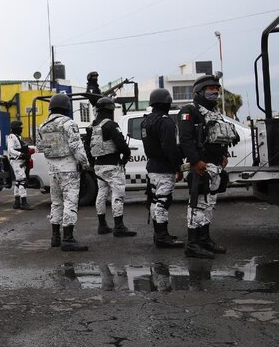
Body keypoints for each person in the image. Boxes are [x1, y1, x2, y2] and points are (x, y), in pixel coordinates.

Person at [178, 75, 239, 259]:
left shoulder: (214, 112)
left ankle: (204, 239)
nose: (214, 91)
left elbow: (219, 136)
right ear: (199, 91)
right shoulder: (189, 111)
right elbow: (186, 140)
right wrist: (196, 161)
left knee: (209, 204)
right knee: (197, 204)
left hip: (214, 165)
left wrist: (224, 155)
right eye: (210, 88)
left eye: (216, 88)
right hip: (200, 165)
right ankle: (193, 244)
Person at [36, 93, 90, 251]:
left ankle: (55, 237)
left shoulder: (43, 126)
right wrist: (85, 163)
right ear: (66, 107)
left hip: (53, 170)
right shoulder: (68, 123)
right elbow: (76, 146)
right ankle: (68, 238)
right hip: (69, 169)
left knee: (56, 202)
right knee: (70, 202)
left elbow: (40, 147)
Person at [84, 97, 136, 237]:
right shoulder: (111, 125)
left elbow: (87, 147)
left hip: (98, 165)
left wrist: (92, 163)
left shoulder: (91, 127)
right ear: (111, 109)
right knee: (118, 194)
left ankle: (102, 225)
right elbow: (120, 143)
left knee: (102, 193)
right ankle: (119, 226)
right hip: (112, 164)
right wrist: (127, 154)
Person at [141, 88, 185, 249]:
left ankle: (159, 233)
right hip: (164, 168)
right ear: (167, 102)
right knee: (163, 201)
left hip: (152, 166)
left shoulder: (146, 121)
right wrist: (177, 167)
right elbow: (170, 148)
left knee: (155, 200)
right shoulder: (165, 121)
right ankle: (162, 236)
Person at [6, 120, 32, 210]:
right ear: (16, 128)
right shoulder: (11, 137)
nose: (21, 128)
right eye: (20, 127)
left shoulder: (18, 137)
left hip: (20, 161)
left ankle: (17, 202)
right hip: (16, 161)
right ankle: (23, 202)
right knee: (23, 180)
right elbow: (10, 150)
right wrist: (21, 154)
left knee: (18, 182)